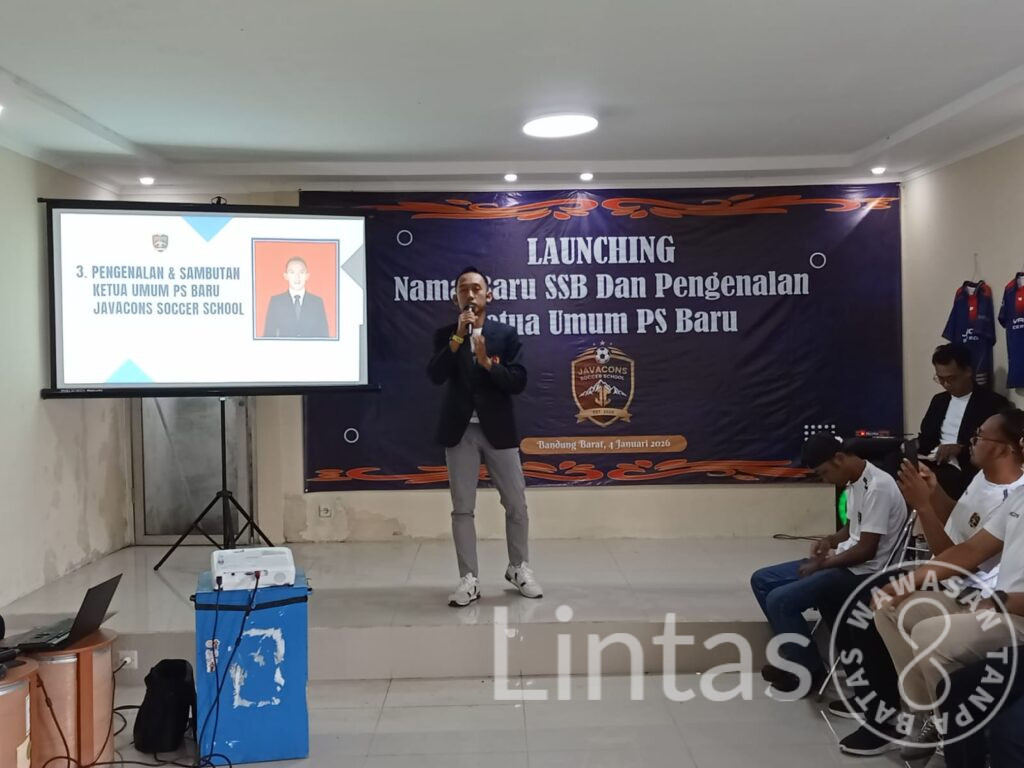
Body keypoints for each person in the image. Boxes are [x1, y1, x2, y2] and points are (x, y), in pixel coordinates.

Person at [836, 409, 1024, 758]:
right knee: (887, 607)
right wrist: (906, 582)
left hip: (998, 602)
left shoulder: (1011, 489)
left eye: (980, 436)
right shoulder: (1010, 492)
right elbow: (968, 547)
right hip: (976, 594)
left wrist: (923, 505)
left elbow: (963, 562)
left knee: (926, 632)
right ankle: (927, 716)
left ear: (1006, 448)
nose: (972, 442)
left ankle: (945, 723)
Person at [750, 432, 906, 694]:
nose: (825, 480)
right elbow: (853, 528)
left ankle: (806, 674)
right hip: (843, 563)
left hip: (864, 573)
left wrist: (822, 565)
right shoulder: (855, 482)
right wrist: (830, 540)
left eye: (824, 473)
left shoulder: (878, 486)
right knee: (762, 580)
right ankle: (804, 663)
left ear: (840, 458)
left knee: (780, 599)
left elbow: (866, 550)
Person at [426, 266, 542, 607]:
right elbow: (435, 375)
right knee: (462, 508)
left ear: (488, 296)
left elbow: (518, 381)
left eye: (477, 288)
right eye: (464, 289)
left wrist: (487, 363)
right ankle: (469, 579)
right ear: (456, 298)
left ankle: (518, 567)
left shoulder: (505, 335)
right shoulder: (447, 335)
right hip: (460, 430)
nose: (471, 294)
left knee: (516, 504)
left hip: (498, 430)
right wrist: (458, 338)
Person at [918, 344, 1009, 499]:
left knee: (936, 478)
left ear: (968, 371)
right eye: (940, 379)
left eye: (951, 378)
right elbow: (926, 437)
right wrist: (913, 446)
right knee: (895, 461)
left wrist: (960, 448)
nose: (946, 384)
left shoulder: (992, 403)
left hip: (964, 464)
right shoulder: (939, 401)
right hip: (936, 459)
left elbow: (996, 444)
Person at [262, 256, 330, 338]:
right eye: (292, 272)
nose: (297, 278)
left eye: (301, 272)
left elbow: (324, 336)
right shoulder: (276, 302)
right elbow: (268, 336)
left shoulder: (317, 302)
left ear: (307, 276)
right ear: (286, 276)